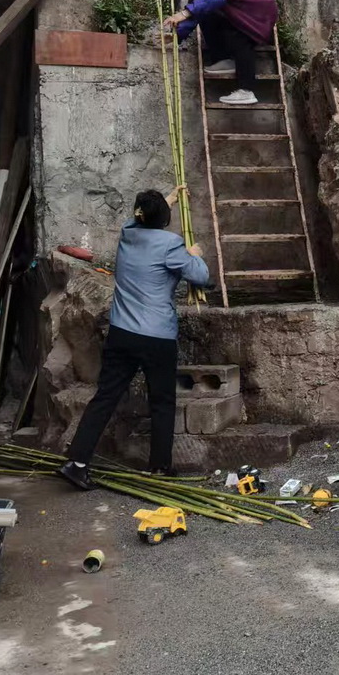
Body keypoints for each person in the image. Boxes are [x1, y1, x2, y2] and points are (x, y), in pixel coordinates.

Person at [58, 188, 211, 489]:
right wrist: (193, 254)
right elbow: (201, 276)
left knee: (105, 397)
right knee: (162, 401)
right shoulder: (171, 245)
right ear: (164, 219)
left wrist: (168, 199)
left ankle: (76, 463)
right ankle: (159, 468)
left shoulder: (128, 233)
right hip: (156, 337)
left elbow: (142, 216)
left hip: (122, 333)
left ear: (139, 214)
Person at [161, 0, 279, 107]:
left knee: (239, 35)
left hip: (259, 14)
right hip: (237, 15)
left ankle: (247, 91)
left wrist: (184, 13)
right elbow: (195, 15)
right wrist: (177, 36)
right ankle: (224, 60)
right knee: (206, 15)